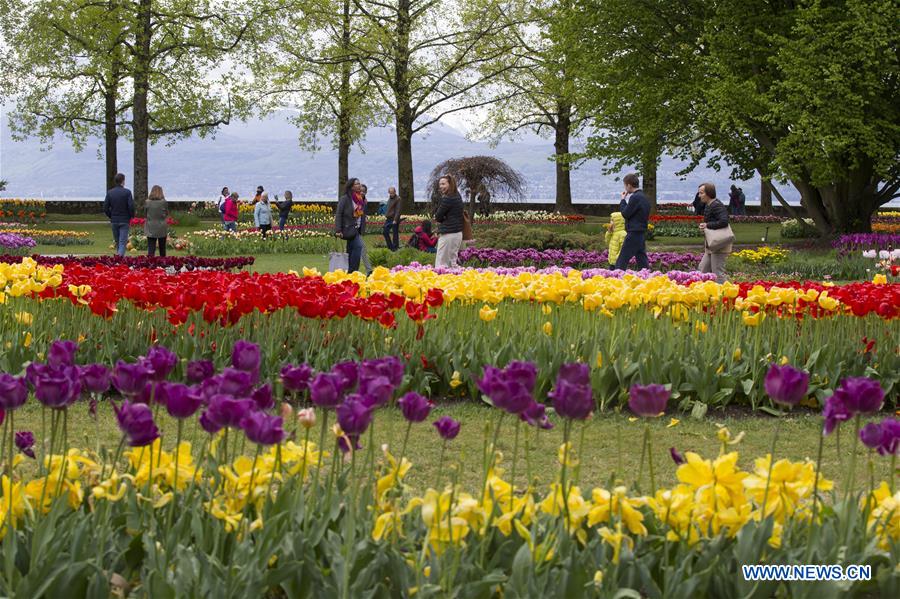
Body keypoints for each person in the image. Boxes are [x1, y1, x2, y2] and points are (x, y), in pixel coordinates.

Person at [613, 173, 650, 270]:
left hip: (633, 232)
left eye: (625, 185)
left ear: (629, 185)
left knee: (622, 259)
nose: (625, 188)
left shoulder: (635, 197)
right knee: (642, 259)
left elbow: (625, 213)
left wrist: (623, 200)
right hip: (641, 232)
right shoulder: (644, 197)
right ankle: (647, 277)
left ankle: (616, 277)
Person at [698, 182, 731, 283]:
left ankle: (726, 295)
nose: (699, 196)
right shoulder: (709, 205)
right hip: (711, 245)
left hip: (718, 244)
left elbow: (724, 221)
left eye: (701, 193)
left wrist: (707, 225)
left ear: (709, 193)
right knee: (702, 270)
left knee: (718, 273)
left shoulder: (716, 205)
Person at [335, 177, 366, 273]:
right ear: (351, 186)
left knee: (351, 249)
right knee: (359, 246)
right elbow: (339, 214)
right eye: (357, 184)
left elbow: (361, 214)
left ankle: (350, 271)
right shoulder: (345, 199)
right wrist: (338, 230)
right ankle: (353, 270)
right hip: (348, 228)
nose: (359, 185)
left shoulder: (360, 199)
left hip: (357, 228)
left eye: (359, 183)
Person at [434, 175, 465, 268]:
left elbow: (438, 216)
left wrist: (443, 219)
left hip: (448, 235)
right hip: (457, 233)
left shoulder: (448, 198)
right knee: (452, 264)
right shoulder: (457, 195)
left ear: (450, 184)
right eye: (440, 184)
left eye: (443, 184)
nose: (441, 186)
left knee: (441, 265)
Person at [103, 172, 135, 257]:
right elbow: (131, 206)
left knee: (117, 241)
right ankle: (119, 259)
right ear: (123, 181)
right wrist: (131, 215)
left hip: (114, 220)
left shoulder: (110, 193)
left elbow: (105, 207)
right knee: (122, 242)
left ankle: (118, 258)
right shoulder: (127, 192)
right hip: (124, 220)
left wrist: (111, 216)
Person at [145, 185, 169, 257]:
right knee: (162, 248)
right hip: (161, 226)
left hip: (150, 226)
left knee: (151, 248)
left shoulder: (147, 202)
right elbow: (166, 213)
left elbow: (145, 213)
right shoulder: (163, 202)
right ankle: (163, 263)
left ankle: (150, 263)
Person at [383, 186, 402, 251]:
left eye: (392, 193)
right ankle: (390, 246)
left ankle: (395, 247)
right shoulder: (390, 198)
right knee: (385, 232)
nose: (391, 194)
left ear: (395, 192)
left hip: (394, 218)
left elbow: (398, 210)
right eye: (390, 193)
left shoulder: (398, 199)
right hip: (388, 218)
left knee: (395, 233)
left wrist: (395, 220)